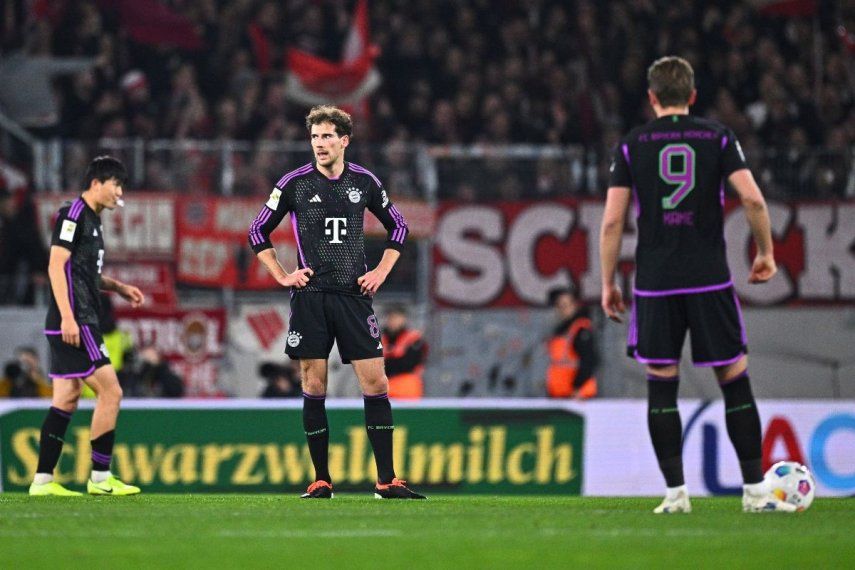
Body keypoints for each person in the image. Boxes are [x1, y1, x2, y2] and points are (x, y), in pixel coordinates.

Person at [600, 56, 796, 514]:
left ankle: (675, 495)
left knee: (661, 384)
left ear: (651, 98)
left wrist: (608, 281)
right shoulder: (719, 137)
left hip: (654, 283)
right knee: (733, 379)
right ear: (692, 96)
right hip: (710, 279)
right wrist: (765, 252)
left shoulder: (631, 146)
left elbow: (612, 224)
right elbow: (751, 197)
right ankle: (754, 491)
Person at [248, 105, 425, 499]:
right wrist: (281, 275)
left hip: (353, 297)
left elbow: (399, 226)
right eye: (315, 137)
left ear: (344, 140)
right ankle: (322, 479)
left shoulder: (364, 182)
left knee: (377, 382)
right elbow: (257, 229)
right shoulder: (293, 184)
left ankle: (385, 481)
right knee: (313, 384)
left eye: (328, 136)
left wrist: (380, 271)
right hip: (309, 297)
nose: (320, 144)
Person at [30, 156, 145, 497]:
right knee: (112, 392)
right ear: (97, 183)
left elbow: (84, 274)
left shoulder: (92, 220)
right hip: (77, 321)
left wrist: (120, 287)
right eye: (116, 185)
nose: (119, 193)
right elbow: (56, 265)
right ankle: (99, 477)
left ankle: (42, 481)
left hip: (74, 318)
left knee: (66, 399)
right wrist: (68, 316)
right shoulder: (73, 214)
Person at [545, 287, 598, 399]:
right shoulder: (562, 330)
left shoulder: (580, 329)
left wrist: (577, 386)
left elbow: (589, 360)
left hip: (577, 395)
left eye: (566, 305)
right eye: (559, 306)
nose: (562, 310)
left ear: (575, 305)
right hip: (561, 393)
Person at [381, 305, 428, 399]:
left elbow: (407, 364)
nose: (393, 321)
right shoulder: (381, 339)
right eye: (390, 318)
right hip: (383, 389)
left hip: (407, 391)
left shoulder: (414, 339)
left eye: (396, 317)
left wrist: (388, 360)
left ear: (403, 319)